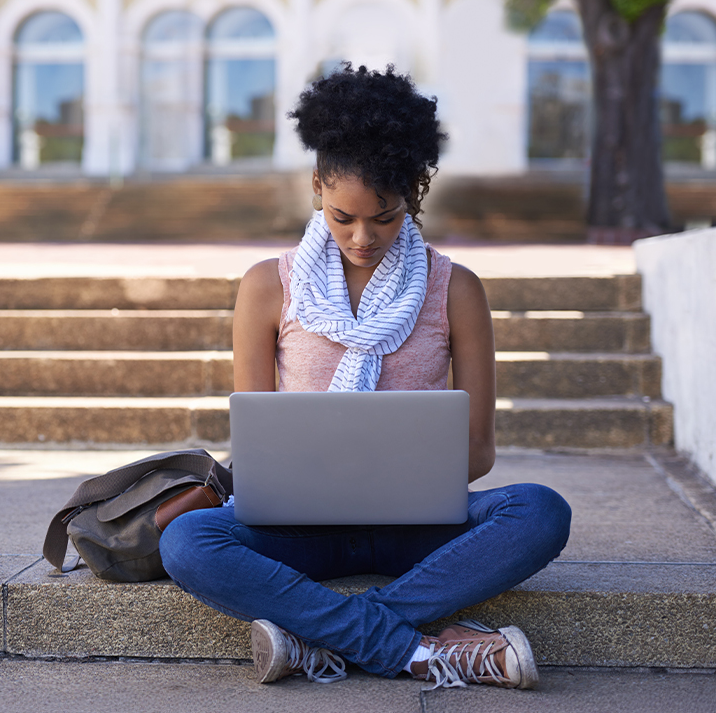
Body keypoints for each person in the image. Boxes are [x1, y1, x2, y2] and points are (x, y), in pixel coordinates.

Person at [159, 65, 572, 690]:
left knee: (540, 511)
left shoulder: (455, 289)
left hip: (419, 528)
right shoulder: (268, 285)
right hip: (299, 529)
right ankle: (420, 651)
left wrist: (398, 475)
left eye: (384, 217)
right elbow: (255, 446)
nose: (362, 237)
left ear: (412, 193)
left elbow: (480, 453)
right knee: (189, 541)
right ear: (317, 185)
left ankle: (324, 637)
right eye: (341, 216)